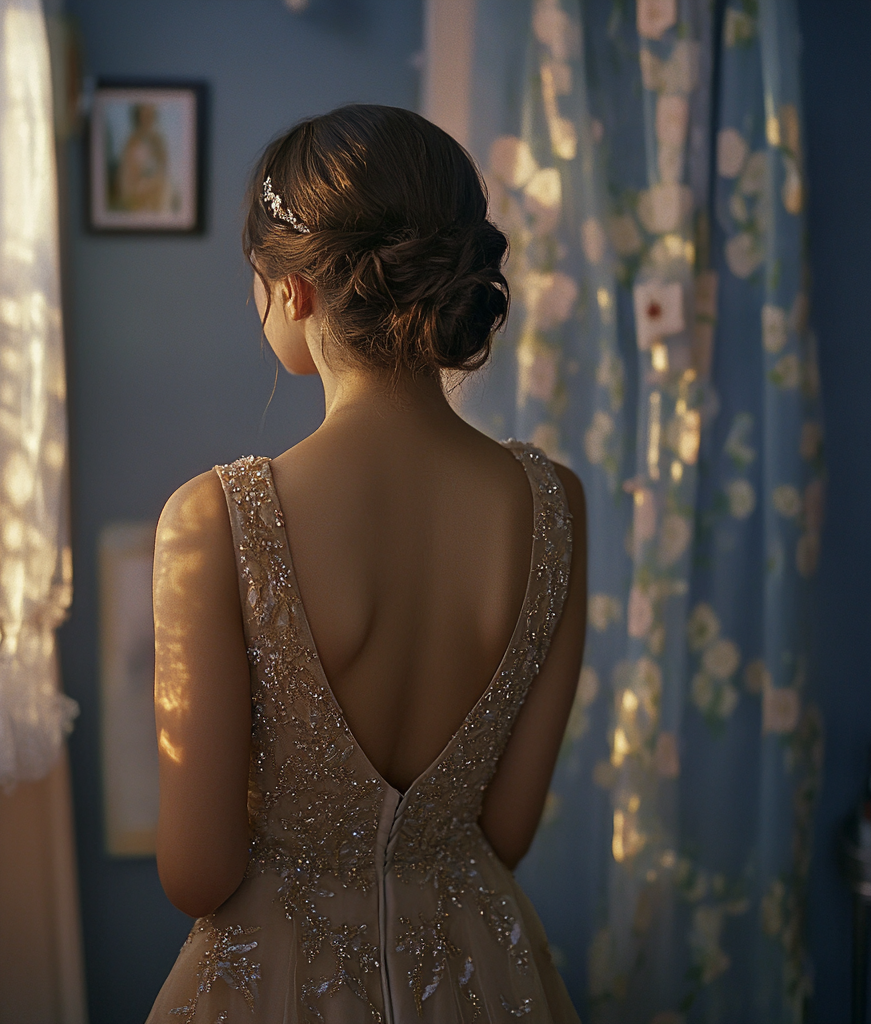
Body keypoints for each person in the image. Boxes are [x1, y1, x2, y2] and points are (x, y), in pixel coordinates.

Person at [147, 104, 587, 1023]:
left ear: (294, 291)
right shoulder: (555, 505)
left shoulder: (216, 520)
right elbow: (505, 830)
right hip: (479, 972)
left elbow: (200, 873)